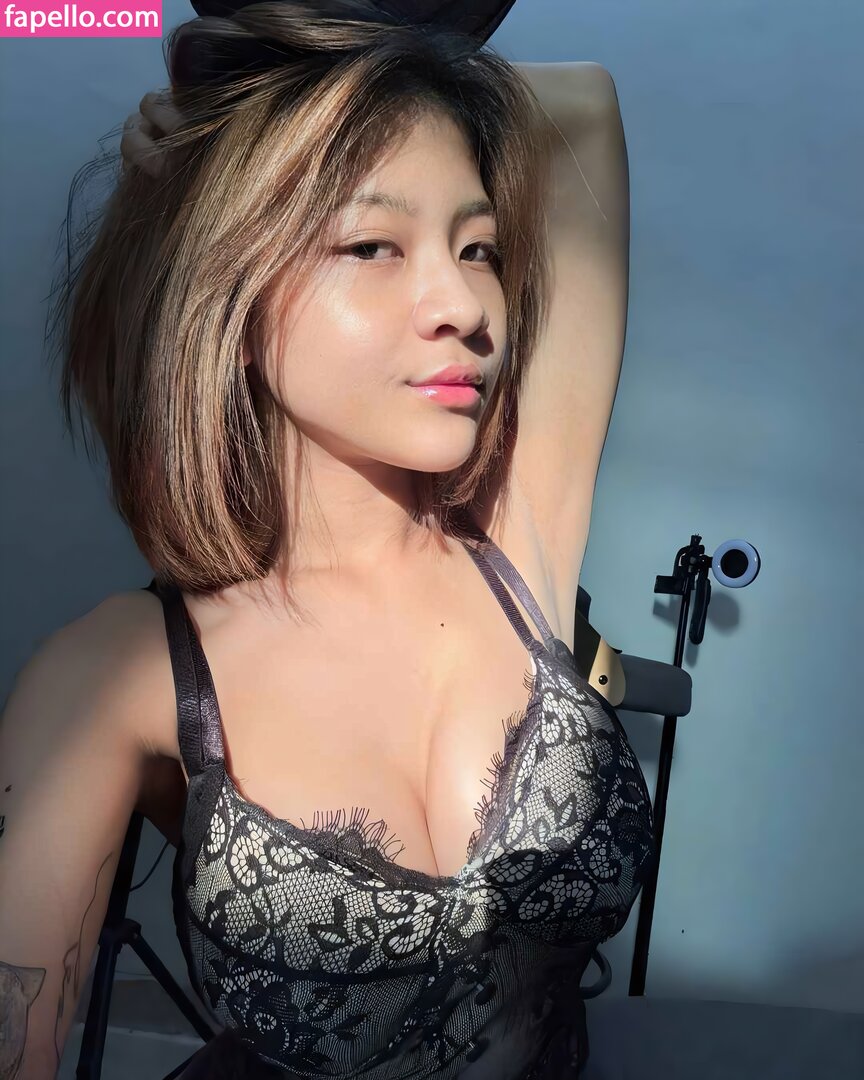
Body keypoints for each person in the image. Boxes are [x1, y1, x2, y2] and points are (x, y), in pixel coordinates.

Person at [0, 2, 656, 1077]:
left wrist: (262, 94)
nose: (463, 304)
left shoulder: (516, 539)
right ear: (225, 284)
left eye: (479, 247)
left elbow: (579, 107)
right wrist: (218, 143)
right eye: (372, 244)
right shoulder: (121, 676)